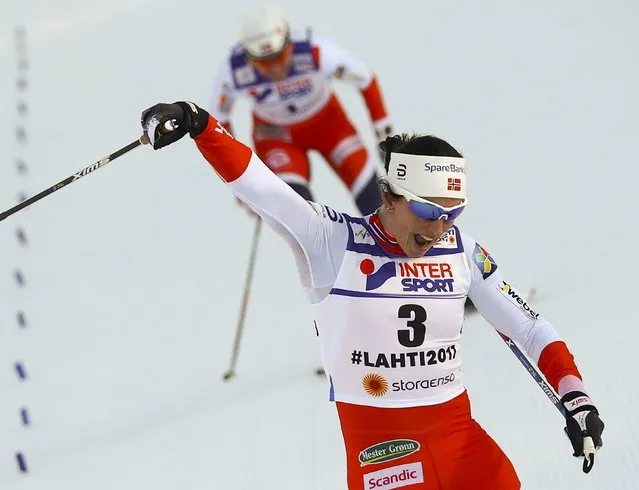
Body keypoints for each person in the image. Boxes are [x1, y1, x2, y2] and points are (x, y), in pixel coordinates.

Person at [140, 101, 605, 489]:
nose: (439, 228)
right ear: (389, 196)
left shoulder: (463, 252)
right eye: (426, 210)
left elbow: (527, 326)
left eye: (453, 213)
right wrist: (200, 123)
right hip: (385, 458)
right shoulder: (330, 241)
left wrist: (577, 398)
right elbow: (262, 186)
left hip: (461, 445)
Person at [210, 6, 392, 214]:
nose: (275, 69)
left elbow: (366, 79)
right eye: (263, 63)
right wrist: (240, 181)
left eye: (279, 57)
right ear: (248, 57)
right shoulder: (232, 70)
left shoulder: (316, 51)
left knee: (374, 202)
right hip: (277, 136)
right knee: (300, 214)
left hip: (329, 126)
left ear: (289, 42)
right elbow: (219, 120)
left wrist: (383, 133)